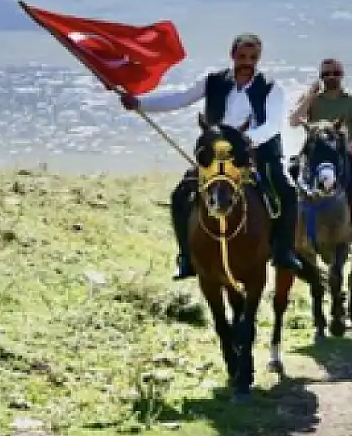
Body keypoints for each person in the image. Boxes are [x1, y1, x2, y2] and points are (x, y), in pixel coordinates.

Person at [121, 33, 307, 281]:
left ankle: (284, 251)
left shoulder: (272, 88)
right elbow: (179, 98)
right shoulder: (213, 81)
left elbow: (273, 125)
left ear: (259, 58)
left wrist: (248, 139)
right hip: (217, 154)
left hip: (257, 153)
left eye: (252, 57)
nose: (246, 62)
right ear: (232, 55)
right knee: (181, 195)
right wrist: (140, 104)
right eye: (241, 56)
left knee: (286, 190)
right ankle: (186, 257)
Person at [287, 58, 352, 249]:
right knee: (290, 174)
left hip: (344, 153)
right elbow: (294, 121)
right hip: (314, 154)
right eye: (326, 74)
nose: (331, 77)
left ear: (342, 75)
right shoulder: (312, 98)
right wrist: (309, 97)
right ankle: (288, 232)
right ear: (320, 76)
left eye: (335, 73)